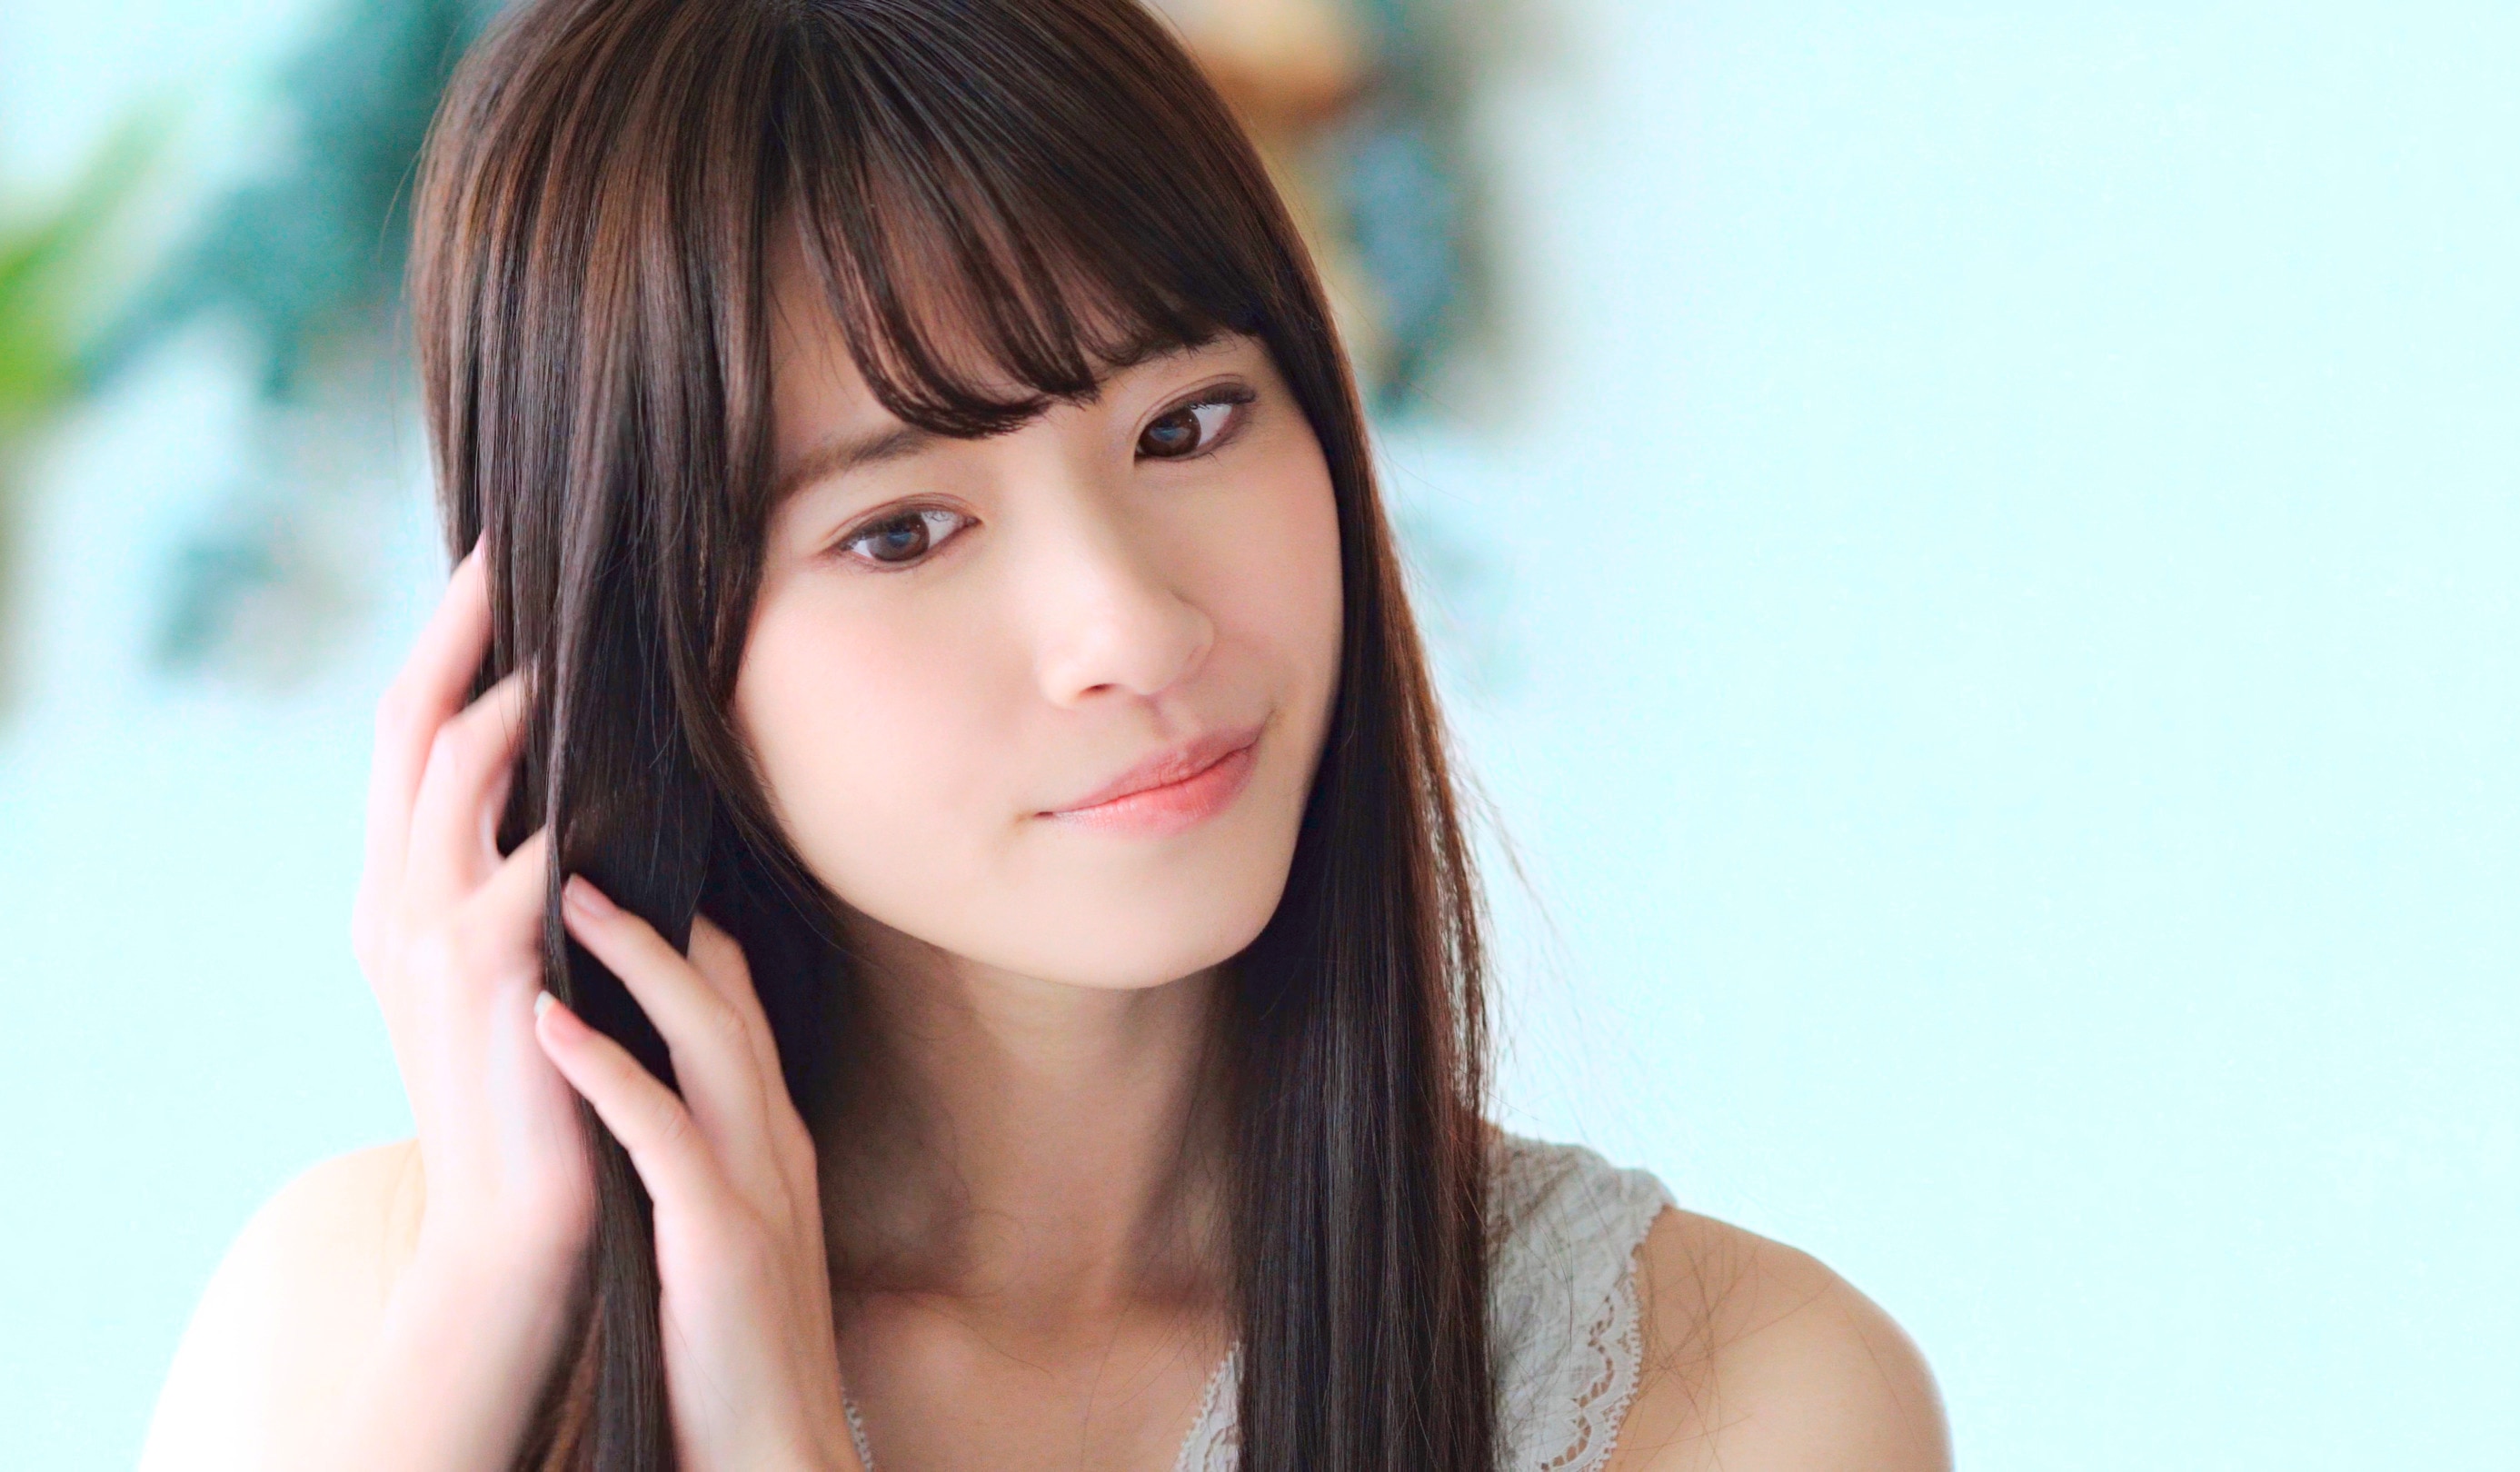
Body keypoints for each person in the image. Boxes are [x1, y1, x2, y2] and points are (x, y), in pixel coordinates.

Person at [138, 0, 1949, 1467]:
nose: (1135, 626)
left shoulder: (1732, 1401)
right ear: (626, 652)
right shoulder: (362, 1319)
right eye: (902, 529)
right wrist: (499, 1294)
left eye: (1187, 426)